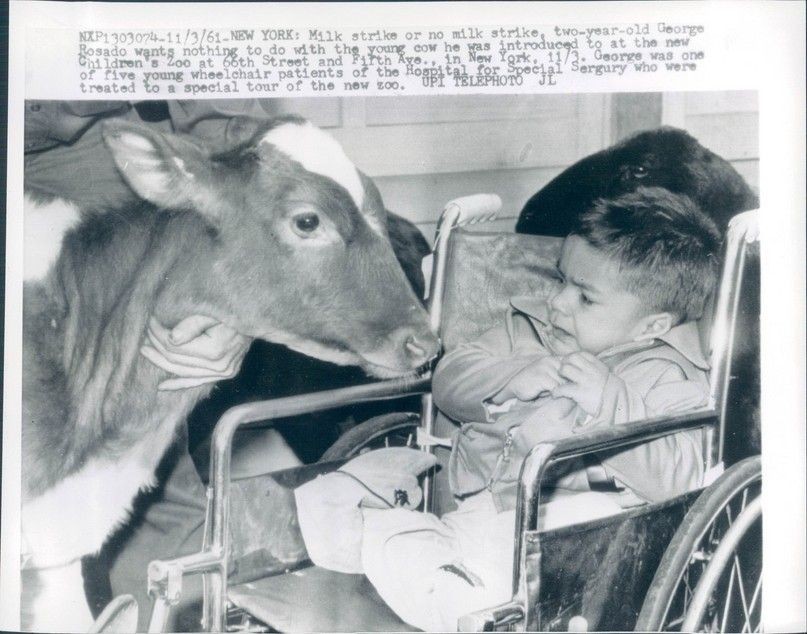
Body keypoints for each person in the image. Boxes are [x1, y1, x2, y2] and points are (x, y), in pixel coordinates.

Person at [293, 186, 721, 631]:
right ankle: (413, 550)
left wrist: (611, 403)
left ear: (652, 326)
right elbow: (449, 379)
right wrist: (513, 376)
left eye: (585, 297)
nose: (557, 302)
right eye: (561, 281)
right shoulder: (530, 327)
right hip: (481, 507)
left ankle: (425, 564)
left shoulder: (671, 375)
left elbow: (684, 477)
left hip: (571, 534)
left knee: (525, 549)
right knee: (336, 496)